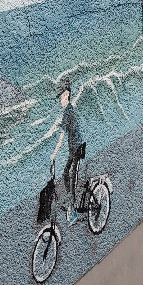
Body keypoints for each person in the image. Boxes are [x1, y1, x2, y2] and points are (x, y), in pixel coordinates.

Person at [51, 79, 85, 225]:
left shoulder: (68, 112)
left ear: (67, 94)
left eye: (62, 97)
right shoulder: (68, 110)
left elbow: (62, 135)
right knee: (65, 174)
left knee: (71, 178)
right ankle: (72, 200)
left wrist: (54, 153)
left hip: (77, 149)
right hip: (73, 149)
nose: (61, 100)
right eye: (60, 98)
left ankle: (74, 210)